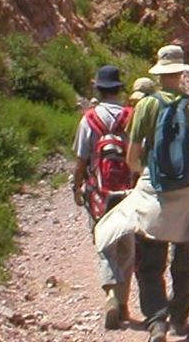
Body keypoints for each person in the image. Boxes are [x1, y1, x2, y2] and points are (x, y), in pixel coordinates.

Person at [94, 45, 189, 342]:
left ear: (160, 73)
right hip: (186, 193)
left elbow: (132, 157)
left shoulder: (146, 106)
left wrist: (144, 175)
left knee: (150, 263)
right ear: (181, 72)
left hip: (153, 191)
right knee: (183, 259)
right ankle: (179, 316)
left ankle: (156, 322)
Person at [72, 65, 137, 329]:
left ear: (98, 88)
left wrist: (77, 187)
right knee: (127, 248)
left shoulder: (88, 120)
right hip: (128, 192)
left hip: (99, 193)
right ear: (119, 89)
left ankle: (110, 294)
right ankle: (122, 303)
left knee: (105, 244)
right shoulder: (130, 117)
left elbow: (81, 160)